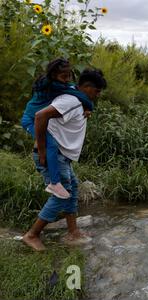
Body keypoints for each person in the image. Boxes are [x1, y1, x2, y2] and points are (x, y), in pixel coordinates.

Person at [22, 68, 107, 251]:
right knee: (62, 193)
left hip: (62, 155)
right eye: (97, 91)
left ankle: (73, 231)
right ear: (86, 87)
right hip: (53, 154)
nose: (98, 95)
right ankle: (32, 235)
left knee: (72, 187)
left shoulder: (77, 101)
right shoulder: (71, 101)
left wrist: (86, 110)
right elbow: (40, 116)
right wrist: (43, 149)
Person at [21, 58, 94, 199]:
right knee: (51, 145)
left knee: (52, 144)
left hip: (36, 118)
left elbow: (74, 91)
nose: (67, 80)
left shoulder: (59, 84)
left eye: (69, 76)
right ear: (53, 75)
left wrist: (86, 107)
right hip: (30, 120)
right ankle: (54, 183)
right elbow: (78, 94)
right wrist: (42, 152)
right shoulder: (50, 85)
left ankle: (55, 183)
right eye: (63, 77)